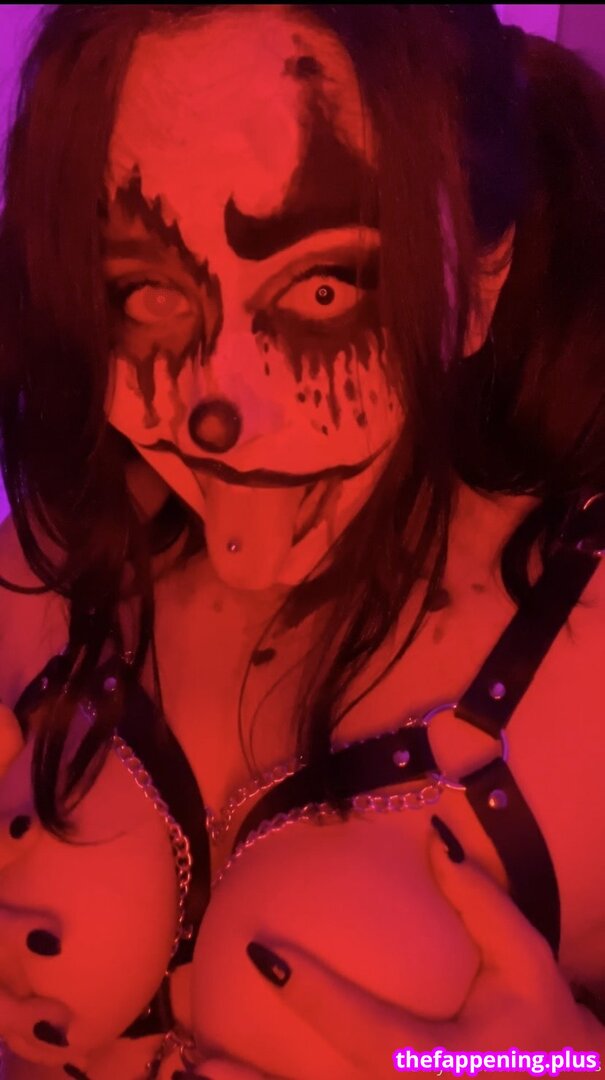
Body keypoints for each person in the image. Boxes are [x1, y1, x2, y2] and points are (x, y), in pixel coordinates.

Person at [0, 4, 603, 1078]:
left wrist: (561, 1068)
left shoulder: (588, 655)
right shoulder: (49, 573)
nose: (214, 412)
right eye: (148, 291)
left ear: (483, 279)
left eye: (322, 288)